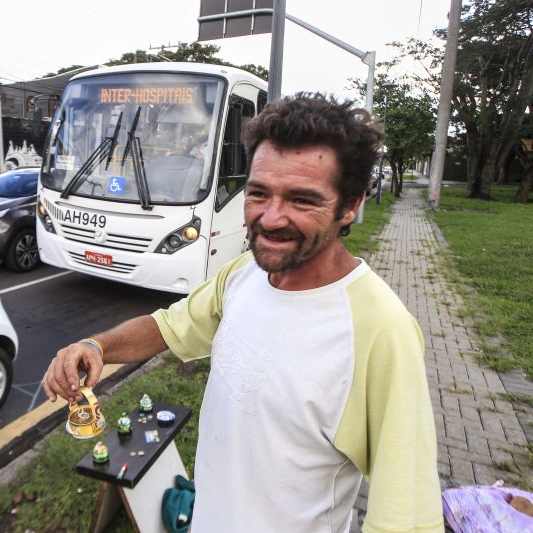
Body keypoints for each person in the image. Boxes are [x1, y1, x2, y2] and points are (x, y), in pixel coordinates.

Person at [41, 93, 443, 532]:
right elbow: (167, 327)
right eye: (258, 193)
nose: (270, 219)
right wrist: (95, 345)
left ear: (351, 206)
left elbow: (405, 515)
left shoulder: (382, 330)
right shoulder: (244, 274)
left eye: (302, 200)